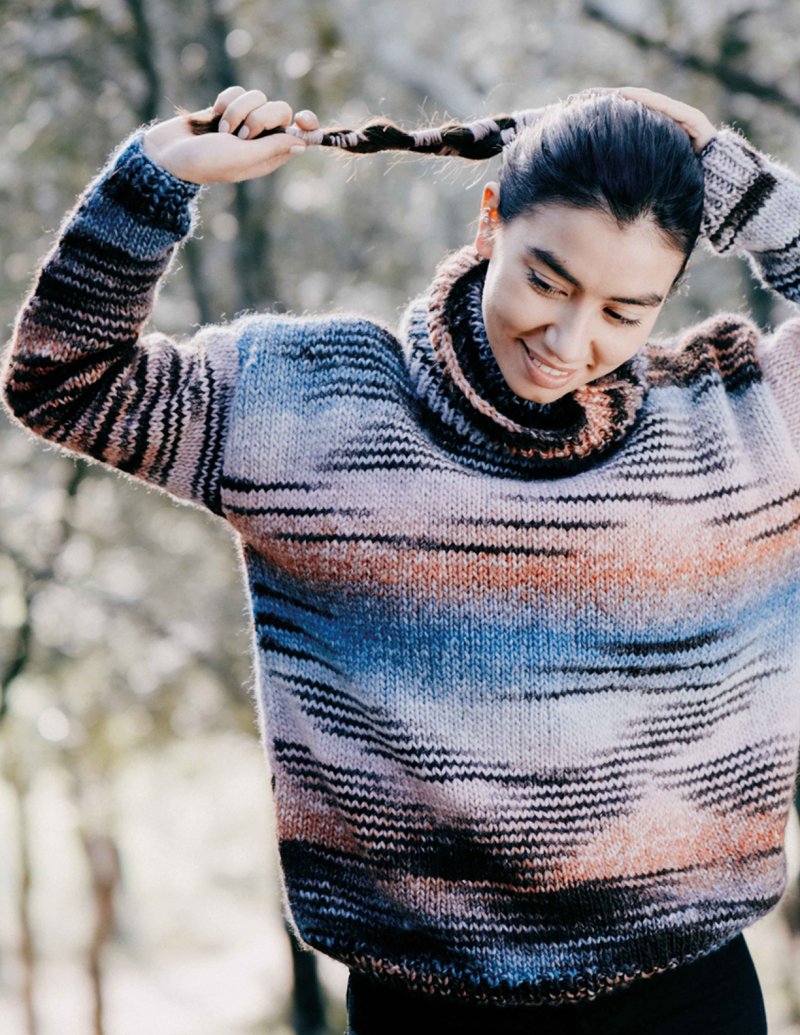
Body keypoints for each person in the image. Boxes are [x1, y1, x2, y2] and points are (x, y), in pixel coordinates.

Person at [2, 81, 798, 1034]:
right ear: (491, 218)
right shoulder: (313, 410)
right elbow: (64, 380)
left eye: (625, 310)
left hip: (688, 997)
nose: (570, 339)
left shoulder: (737, 419)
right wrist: (153, 180)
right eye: (548, 282)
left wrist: (740, 184)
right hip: (425, 1004)